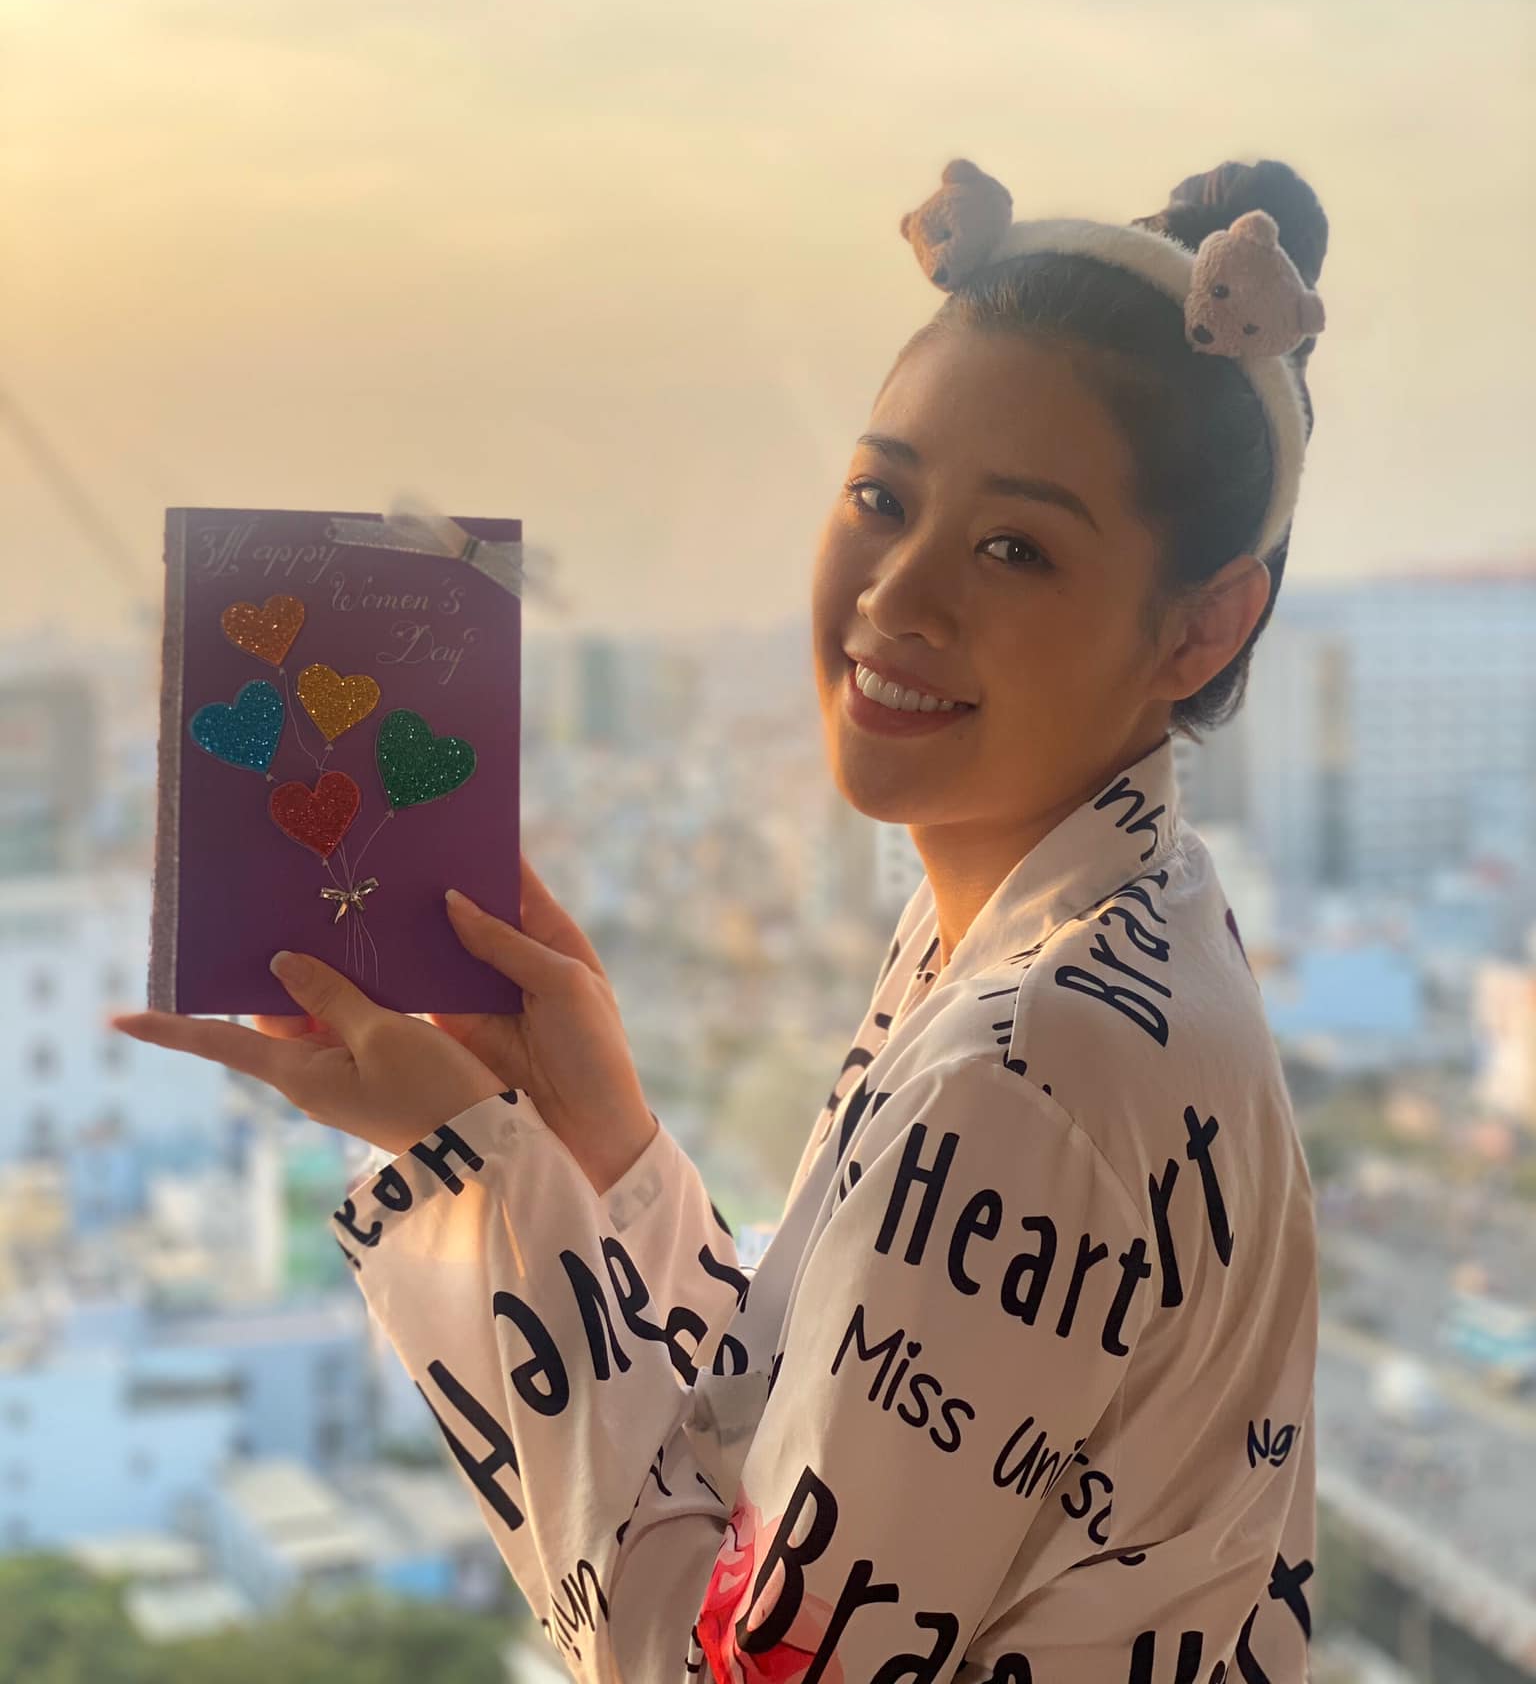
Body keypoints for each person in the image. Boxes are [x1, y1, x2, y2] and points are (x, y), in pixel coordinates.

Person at [111, 153, 1325, 1684]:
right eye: (881, 497)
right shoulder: (1109, 926)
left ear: (1203, 626)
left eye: (1015, 547)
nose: (897, 596)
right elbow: (796, 1476)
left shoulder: (1033, 1063)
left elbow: (733, 1664)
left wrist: (475, 1171)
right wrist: (600, 1143)